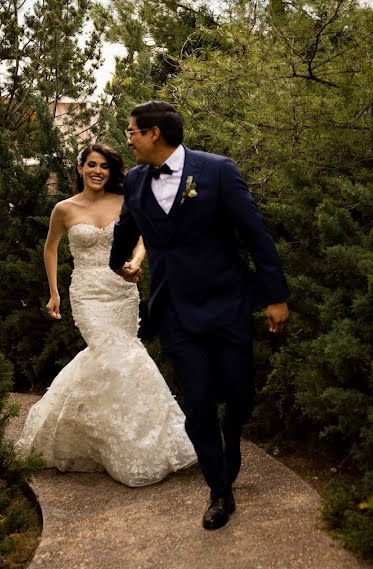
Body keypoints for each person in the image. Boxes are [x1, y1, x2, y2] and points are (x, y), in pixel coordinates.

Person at [110, 101, 290, 530]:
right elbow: (126, 229)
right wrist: (120, 262)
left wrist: (275, 297)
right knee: (198, 403)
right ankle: (218, 489)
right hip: (174, 308)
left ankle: (233, 440)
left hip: (226, 303)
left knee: (239, 394)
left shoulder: (217, 171)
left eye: (133, 131)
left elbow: (255, 234)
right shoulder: (134, 180)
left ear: (155, 133)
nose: (128, 139)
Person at [17, 143, 197, 486]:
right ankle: (133, 444)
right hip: (87, 295)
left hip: (122, 289)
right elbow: (51, 247)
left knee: (116, 360)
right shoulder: (64, 209)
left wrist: (136, 260)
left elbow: (142, 236)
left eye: (104, 166)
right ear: (81, 168)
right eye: (92, 165)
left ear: (112, 171)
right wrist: (54, 293)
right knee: (118, 355)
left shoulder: (124, 203)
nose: (98, 171)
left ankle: (108, 436)